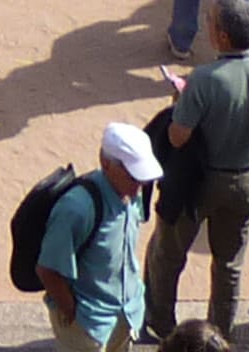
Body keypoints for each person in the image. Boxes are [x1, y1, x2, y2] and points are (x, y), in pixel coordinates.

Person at [144, 0, 249, 340]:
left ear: (223, 36)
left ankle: (163, 327)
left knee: (168, 254)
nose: (207, 26)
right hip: (248, 182)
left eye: (210, 22)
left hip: (198, 182)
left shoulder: (204, 79)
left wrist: (179, 104)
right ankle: (219, 336)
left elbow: (178, 138)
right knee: (229, 266)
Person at [37, 122, 156, 352]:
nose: (139, 186)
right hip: (88, 325)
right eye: (133, 176)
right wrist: (72, 312)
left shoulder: (131, 195)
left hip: (126, 317)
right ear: (106, 164)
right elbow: (47, 270)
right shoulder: (76, 208)